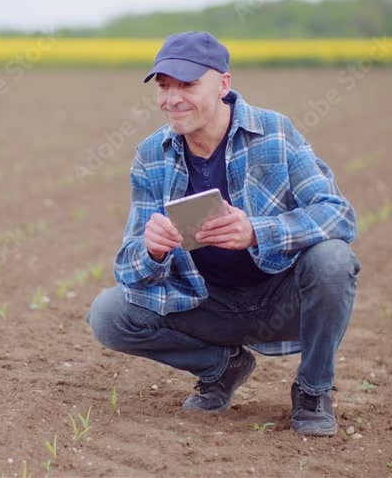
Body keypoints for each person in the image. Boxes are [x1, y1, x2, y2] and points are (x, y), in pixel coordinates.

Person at [86, 31, 360, 436]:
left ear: (224, 84)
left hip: (280, 302)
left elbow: (339, 216)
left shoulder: (275, 133)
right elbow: (129, 269)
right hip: (206, 305)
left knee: (333, 259)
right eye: (164, 86)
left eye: (188, 84)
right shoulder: (151, 155)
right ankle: (222, 366)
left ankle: (312, 391)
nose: (172, 98)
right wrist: (151, 250)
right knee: (108, 314)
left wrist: (256, 231)